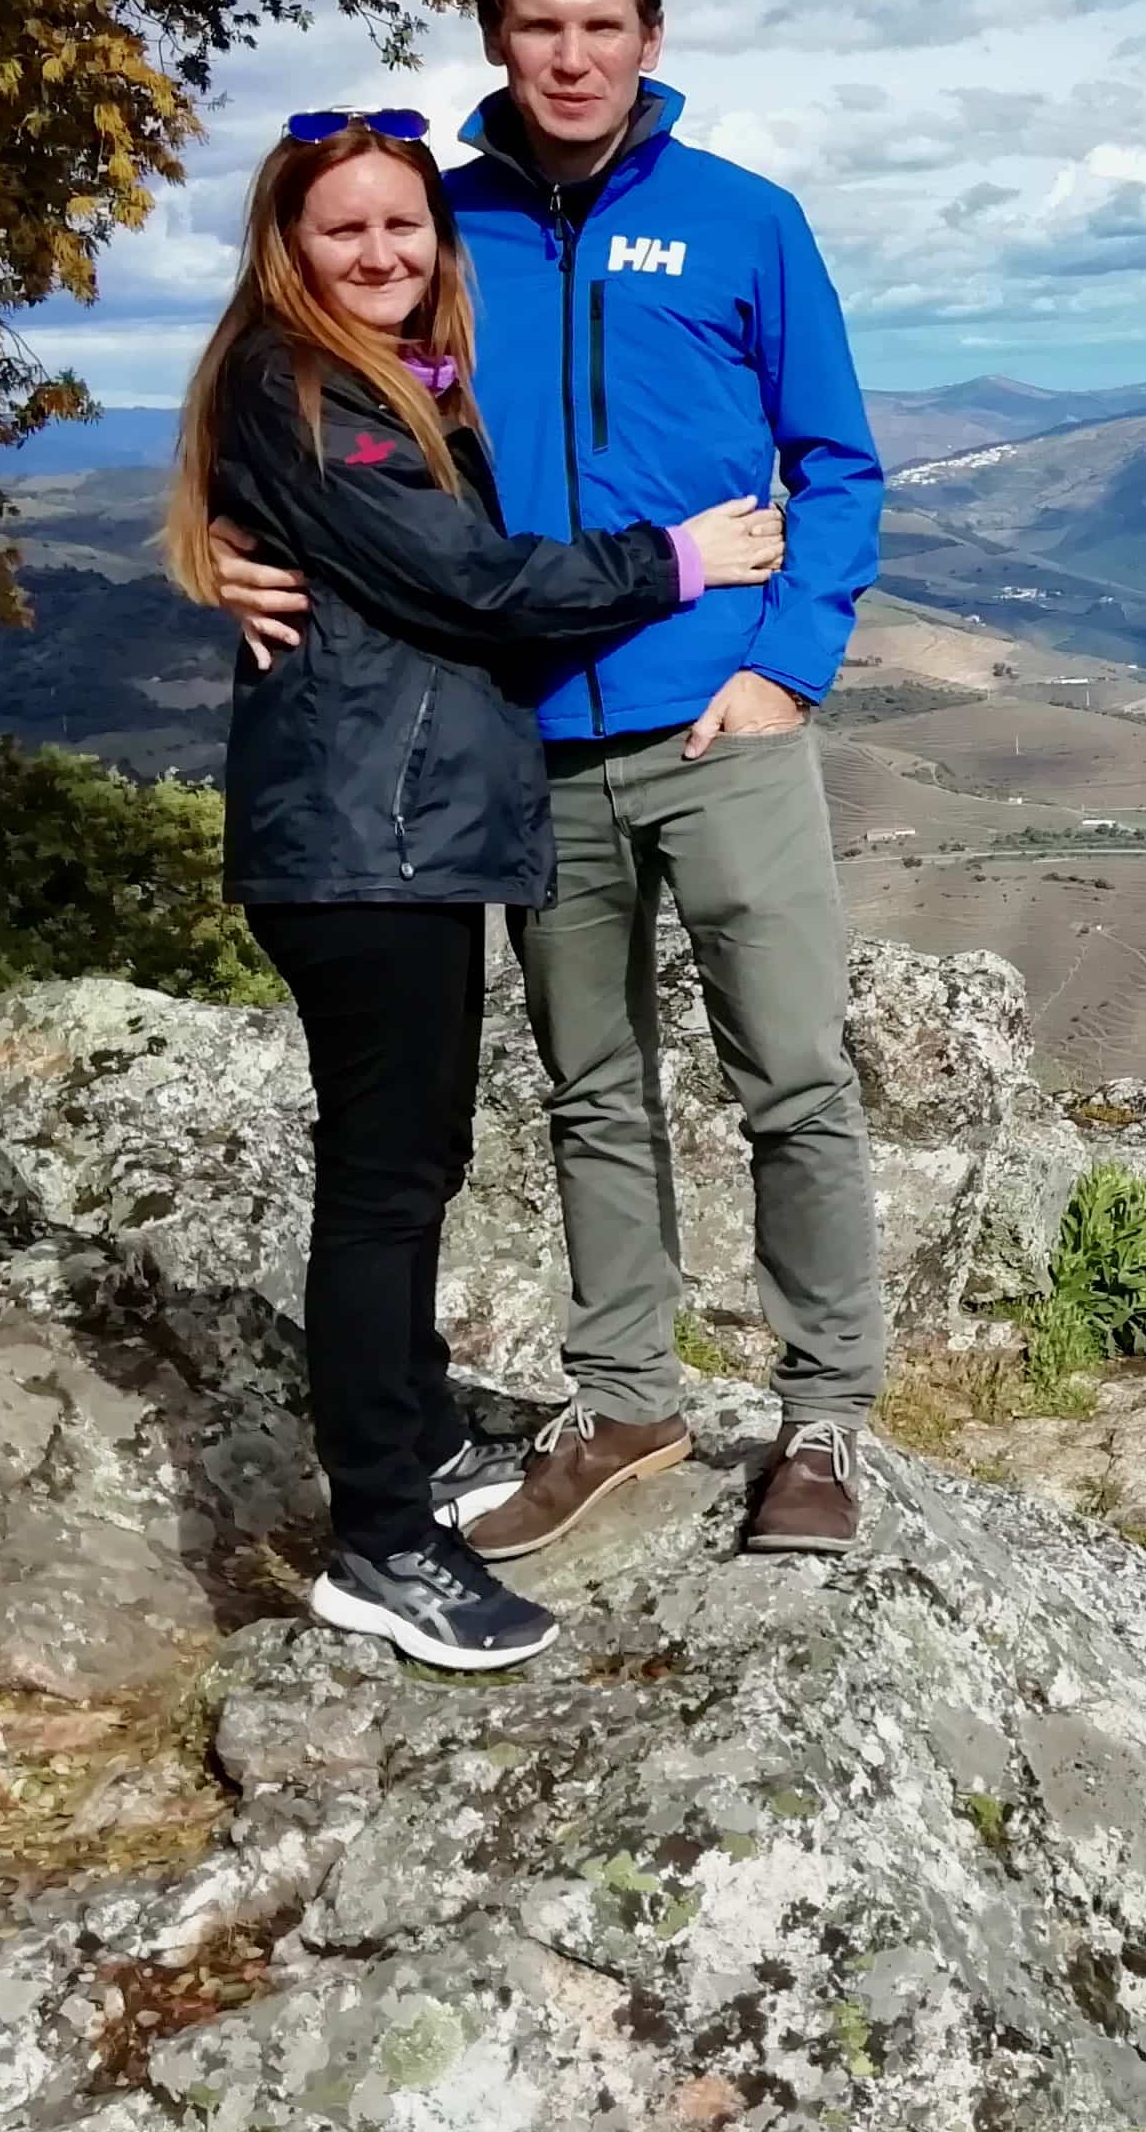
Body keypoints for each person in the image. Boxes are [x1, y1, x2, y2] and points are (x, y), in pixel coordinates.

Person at [212, 0, 891, 1567]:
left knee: (791, 1075)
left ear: (649, 40)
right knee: (593, 1089)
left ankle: (823, 1417)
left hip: (722, 717)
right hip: (532, 740)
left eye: (599, 27)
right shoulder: (440, 233)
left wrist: (791, 667)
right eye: (537, 27)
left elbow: (840, 465)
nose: (570, 57)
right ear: (495, 41)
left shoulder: (744, 222)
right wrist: (227, 547)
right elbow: (309, 393)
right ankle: (627, 1393)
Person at [166, 111, 784, 1669]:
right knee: (382, 1182)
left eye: (404, 227)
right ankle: (379, 1540)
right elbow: (474, 584)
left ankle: (417, 1442)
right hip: (361, 845)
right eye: (344, 231)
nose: (382, 252)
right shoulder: (303, 385)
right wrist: (680, 561)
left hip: (395, 835)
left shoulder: (361, 389)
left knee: (414, 1156)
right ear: (285, 253)